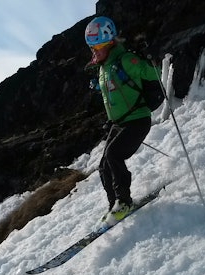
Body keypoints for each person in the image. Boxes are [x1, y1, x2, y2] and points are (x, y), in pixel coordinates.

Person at [84, 16, 160, 225]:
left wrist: (151, 59)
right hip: (119, 123)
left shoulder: (126, 60)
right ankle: (114, 206)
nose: (94, 50)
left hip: (137, 120)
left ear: (109, 42)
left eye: (98, 45)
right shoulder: (103, 68)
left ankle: (124, 202)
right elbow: (113, 89)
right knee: (103, 166)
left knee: (113, 155)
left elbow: (154, 73)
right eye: (91, 46)